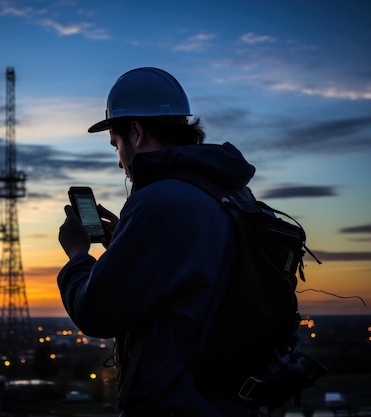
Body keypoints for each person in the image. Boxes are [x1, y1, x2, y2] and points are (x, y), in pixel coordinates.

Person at [57, 67, 259, 417]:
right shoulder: (229, 191)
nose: (121, 163)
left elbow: (96, 312)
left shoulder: (158, 202)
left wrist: (77, 255)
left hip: (177, 403)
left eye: (116, 144)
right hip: (229, 401)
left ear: (135, 133)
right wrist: (126, 239)